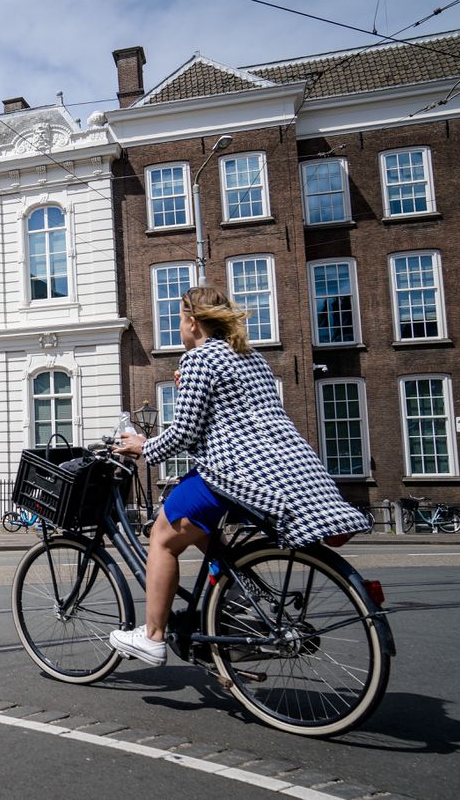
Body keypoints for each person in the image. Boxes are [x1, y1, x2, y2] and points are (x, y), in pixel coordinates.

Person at [109, 285, 368, 666]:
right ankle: (237, 589)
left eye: (180, 319)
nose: (179, 327)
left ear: (192, 322)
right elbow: (240, 417)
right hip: (285, 471)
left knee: (163, 537)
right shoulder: (251, 356)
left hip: (235, 474)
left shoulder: (200, 359)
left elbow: (184, 434)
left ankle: (152, 636)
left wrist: (142, 447)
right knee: (200, 526)